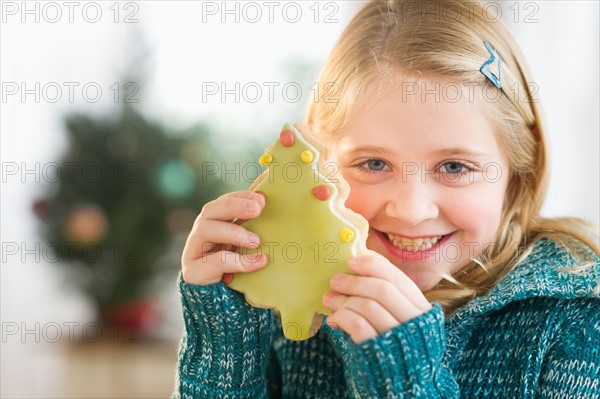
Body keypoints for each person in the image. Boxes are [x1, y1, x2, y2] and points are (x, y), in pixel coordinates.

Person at [174, 1, 600, 397]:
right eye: (374, 164)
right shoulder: (284, 311)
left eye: (454, 167)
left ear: (518, 171)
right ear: (320, 164)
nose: (411, 211)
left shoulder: (575, 321)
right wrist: (224, 351)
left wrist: (409, 382)